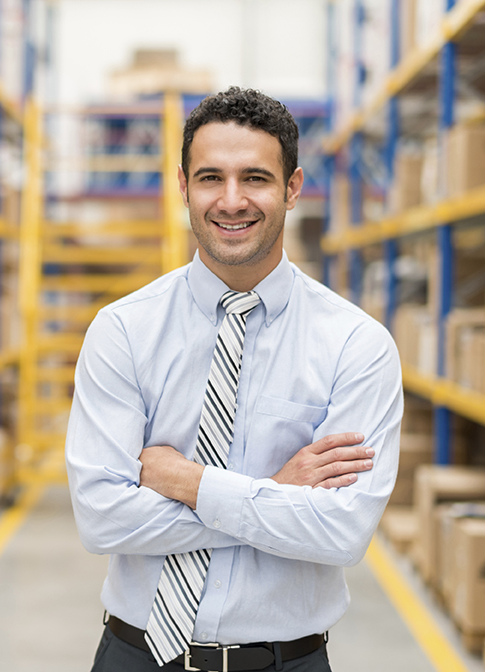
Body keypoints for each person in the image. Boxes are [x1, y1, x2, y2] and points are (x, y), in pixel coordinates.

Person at [65, 87, 402, 672]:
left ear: (292, 187)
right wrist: (273, 487)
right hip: (135, 653)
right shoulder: (122, 330)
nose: (231, 200)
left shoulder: (356, 345)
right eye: (210, 178)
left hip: (284, 660)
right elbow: (101, 518)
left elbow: (341, 533)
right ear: (182, 186)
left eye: (255, 178)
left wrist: (188, 481)